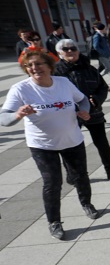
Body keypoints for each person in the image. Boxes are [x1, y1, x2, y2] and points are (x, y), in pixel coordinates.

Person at [0, 49, 100, 240]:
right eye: (29, 66)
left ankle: (86, 203)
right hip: (42, 145)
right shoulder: (20, 89)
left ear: (49, 65)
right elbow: (4, 119)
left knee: (80, 176)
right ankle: (54, 222)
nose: (34, 68)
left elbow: (82, 100)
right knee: (52, 182)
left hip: (72, 140)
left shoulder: (63, 83)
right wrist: (18, 114)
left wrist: (85, 112)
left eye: (39, 64)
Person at [53, 38, 110, 181]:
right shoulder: (56, 72)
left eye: (73, 48)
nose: (70, 51)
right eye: (66, 49)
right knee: (68, 145)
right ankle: (72, 174)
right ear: (59, 53)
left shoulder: (89, 68)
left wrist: (97, 99)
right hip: (69, 115)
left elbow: (103, 87)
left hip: (93, 111)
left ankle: (109, 169)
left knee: (102, 143)